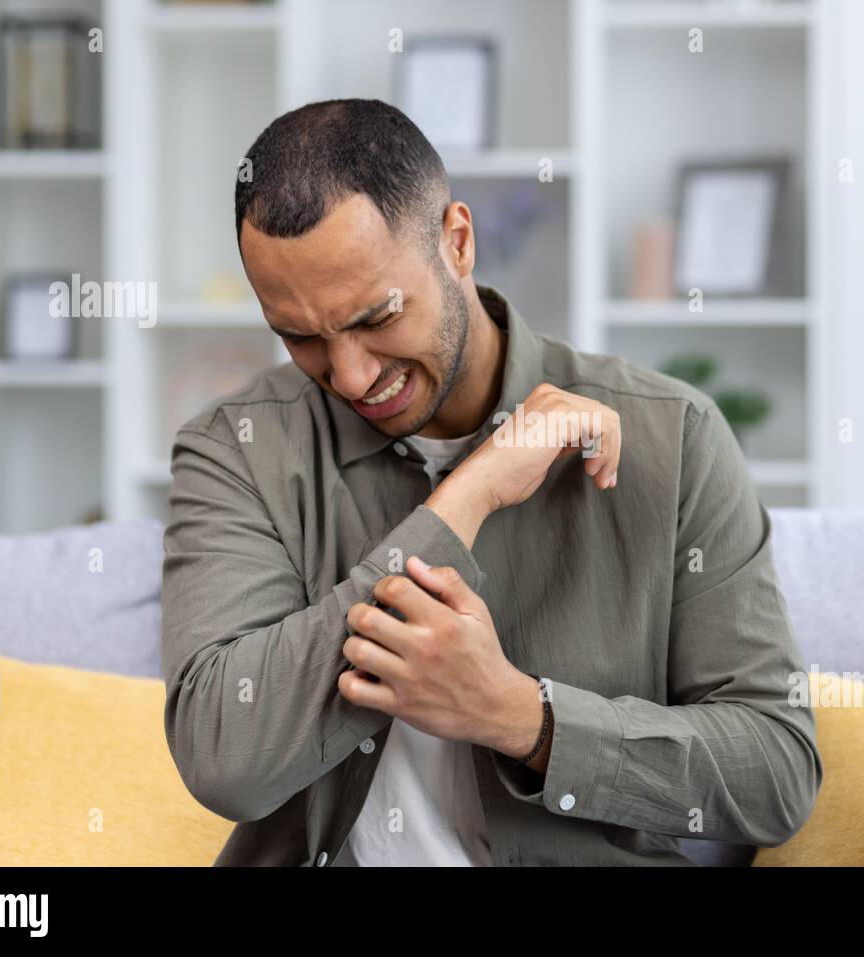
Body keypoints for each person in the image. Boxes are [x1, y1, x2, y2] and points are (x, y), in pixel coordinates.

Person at [160, 98, 822, 866]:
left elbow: (775, 771)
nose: (350, 374)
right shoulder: (235, 450)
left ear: (459, 242)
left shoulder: (673, 437)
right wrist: (467, 497)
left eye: (377, 316)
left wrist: (523, 718)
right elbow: (222, 760)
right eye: (300, 336)